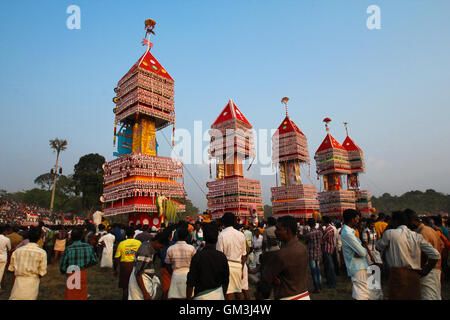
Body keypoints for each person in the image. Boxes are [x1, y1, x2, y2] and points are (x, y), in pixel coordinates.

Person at [376, 210, 440, 300]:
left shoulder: (390, 234)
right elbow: (435, 254)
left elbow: (378, 247)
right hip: (414, 275)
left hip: (397, 274)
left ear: (395, 221)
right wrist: (425, 270)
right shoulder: (417, 236)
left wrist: (387, 229)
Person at [262, 216, 310, 300]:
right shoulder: (302, 248)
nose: (275, 232)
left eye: (278, 229)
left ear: (287, 231)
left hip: (288, 296)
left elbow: (267, 278)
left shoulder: (282, 254)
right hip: (303, 294)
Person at [405, 209, 444, 300]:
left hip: (429, 271)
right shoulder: (430, 230)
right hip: (435, 269)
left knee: (428, 296)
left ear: (412, 220)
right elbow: (441, 246)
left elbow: (429, 254)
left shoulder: (422, 233)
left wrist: (424, 270)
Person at [186, 222, 230, 300]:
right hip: (218, 295)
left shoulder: (197, 257)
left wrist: (188, 297)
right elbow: (226, 280)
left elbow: (190, 282)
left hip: (201, 296)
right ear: (217, 238)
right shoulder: (222, 257)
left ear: (204, 238)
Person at [128, 231, 170, 300]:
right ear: (156, 242)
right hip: (141, 281)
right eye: (161, 247)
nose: (161, 249)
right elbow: (138, 273)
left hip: (144, 279)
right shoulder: (146, 251)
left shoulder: (147, 245)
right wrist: (145, 293)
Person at [8, 227, 47, 300]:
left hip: (18, 282)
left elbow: (11, 269)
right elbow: (42, 272)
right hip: (32, 282)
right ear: (39, 238)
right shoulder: (42, 253)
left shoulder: (17, 251)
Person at [59, 227, 98, 300]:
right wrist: (86, 265)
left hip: (71, 271)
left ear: (71, 237)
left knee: (71, 295)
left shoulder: (68, 249)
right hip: (82, 272)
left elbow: (62, 266)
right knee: (82, 294)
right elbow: (95, 260)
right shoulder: (88, 247)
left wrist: (64, 271)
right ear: (82, 236)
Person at [216, 212, 247, 300]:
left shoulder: (221, 235)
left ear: (223, 223)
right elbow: (244, 255)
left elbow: (219, 256)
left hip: (226, 266)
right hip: (238, 266)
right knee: (238, 292)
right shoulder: (241, 235)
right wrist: (241, 269)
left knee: (228, 293)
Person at [341, 209, 370, 300]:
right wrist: (362, 251)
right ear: (352, 219)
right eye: (357, 218)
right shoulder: (348, 233)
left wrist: (361, 250)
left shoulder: (350, 232)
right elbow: (362, 252)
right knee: (362, 294)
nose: (358, 220)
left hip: (359, 265)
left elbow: (360, 250)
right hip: (357, 266)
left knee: (361, 291)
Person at [165, 227, 196, 299]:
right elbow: (195, 264)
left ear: (177, 236)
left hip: (175, 275)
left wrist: (172, 272)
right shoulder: (191, 248)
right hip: (188, 276)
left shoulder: (170, 248)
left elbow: (167, 265)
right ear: (187, 237)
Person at [114, 227, 142, 300]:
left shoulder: (122, 243)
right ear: (133, 234)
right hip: (136, 265)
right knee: (136, 285)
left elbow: (117, 258)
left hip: (125, 266)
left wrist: (115, 269)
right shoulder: (138, 243)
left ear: (126, 234)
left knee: (125, 287)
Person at [361, 218, 383, 300]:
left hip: (375, 251)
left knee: (378, 268)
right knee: (372, 270)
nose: (373, 225)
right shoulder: (365, 231)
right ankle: (372, 291)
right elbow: (365, 244)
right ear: (368, 224)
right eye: (371, 224)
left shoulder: (374, 230)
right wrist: (370, 255)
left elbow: (376, 241)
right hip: (369, 251)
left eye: (373, 224)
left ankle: (377, 290)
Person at [304, 218, 322, 293]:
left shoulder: (308, 234)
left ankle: (317, 287)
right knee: (318, 269)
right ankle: (320, 285)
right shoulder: (319, 232)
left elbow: (306, 242)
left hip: (311, 252)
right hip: (318, 252)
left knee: (314, 271)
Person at [321, 216, 337, 289]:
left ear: (325, 221)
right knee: (329, 266)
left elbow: (322, 240)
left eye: (322, 221)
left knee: (330, 267)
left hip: (327, 249)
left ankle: (332, 283)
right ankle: (330, 282)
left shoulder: (328, 230)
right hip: (330, 248)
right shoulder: (331, 228)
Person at [0, 225, 12, 289]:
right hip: (3, 257)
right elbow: (9, 249)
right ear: (4, 231)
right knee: (1, 272)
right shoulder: (6, 239)